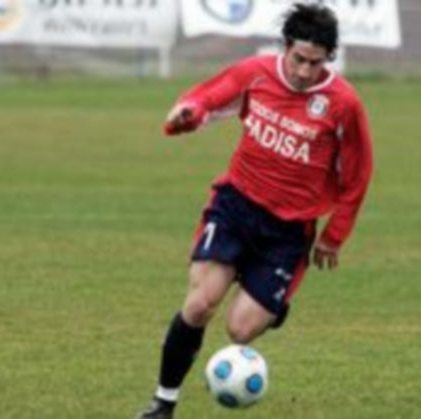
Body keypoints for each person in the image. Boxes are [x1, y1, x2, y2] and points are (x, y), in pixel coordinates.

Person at [135, 4, 373, 418]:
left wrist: (335, 235)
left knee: (239, 329)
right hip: (236, 208)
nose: (303, 71)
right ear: (286, 47)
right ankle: (162, 404)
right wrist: (186, 113)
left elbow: (357, 174)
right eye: (298, 59)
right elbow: (211, 96)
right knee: (198, 306)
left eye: (315, 63)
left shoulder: (343, 105)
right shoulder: (257, 72)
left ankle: (273, 302)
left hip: (287, 233)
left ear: (329, 58)